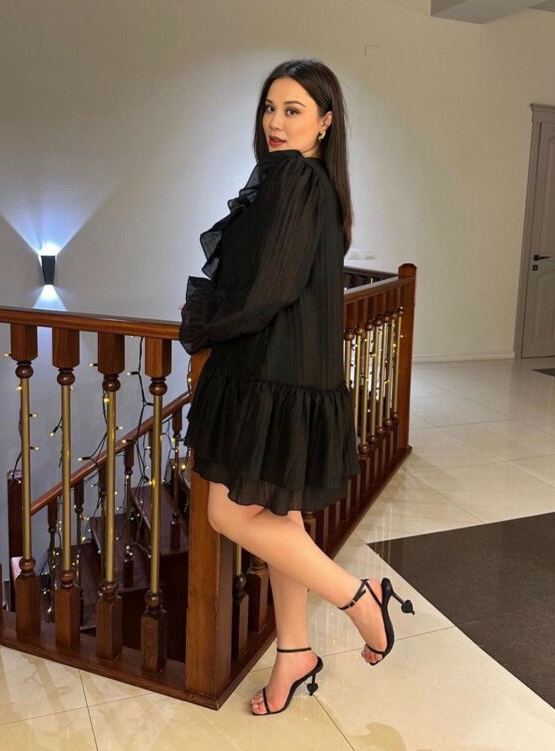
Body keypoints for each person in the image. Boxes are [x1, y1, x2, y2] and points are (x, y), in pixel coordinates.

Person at [179, 58, 415, 716]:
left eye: (293, 110)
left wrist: (206, 325)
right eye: (269, 108)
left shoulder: (294, 178)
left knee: (228, 513)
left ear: (325, 121)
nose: (275, 122)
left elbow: (269, 286)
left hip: (270, 370)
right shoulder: (314, 183)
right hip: (292, 371)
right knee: (281, 517)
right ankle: (294, 652)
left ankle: (359, 598)